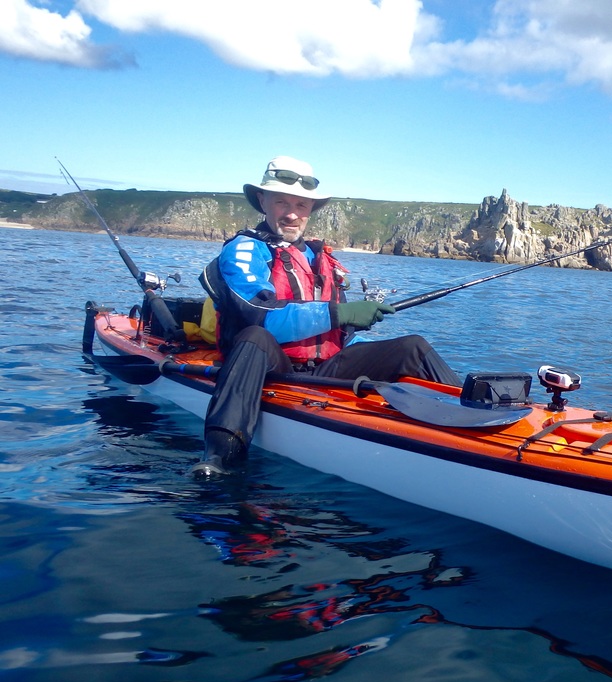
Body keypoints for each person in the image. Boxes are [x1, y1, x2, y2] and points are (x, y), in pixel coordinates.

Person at [192, 156, 461, 479]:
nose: (292, 214)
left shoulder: (321, 258)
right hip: (267, 366)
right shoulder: (245, 250)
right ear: (262, 201)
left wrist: (355, 327)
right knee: (254, 337)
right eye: (281, 202)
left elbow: (341, 334)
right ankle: (219, 456)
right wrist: (341, 313)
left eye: (301, 205)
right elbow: (259, 315)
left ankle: (470, 415)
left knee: (412, 346)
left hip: (324, 366)